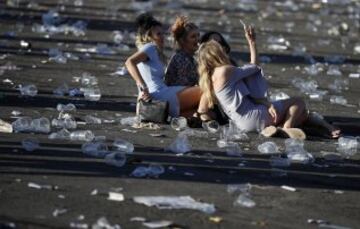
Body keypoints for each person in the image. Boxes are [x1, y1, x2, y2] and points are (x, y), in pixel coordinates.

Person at [197, 40, 341, 139]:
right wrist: (252, 43)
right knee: (298, 102)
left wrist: (210, 121)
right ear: (217, 54)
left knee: (301, 115)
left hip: (242, 124)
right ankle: (287, 127)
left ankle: (280, 128)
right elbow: (254, 67)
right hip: (255, 115)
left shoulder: (208, 80)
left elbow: (202, 110)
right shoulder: (225, 70)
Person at [125, 13, 207, 118]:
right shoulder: (150, 47)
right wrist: (143, 87)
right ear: (148, 36)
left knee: (200, 112)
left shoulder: (157, 53)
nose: (163, 37)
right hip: (158, 95)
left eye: (163, 33)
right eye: (158, 34)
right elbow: (129, 62)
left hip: (158, 97)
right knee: (207, 90)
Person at [164, 15, 200, 87]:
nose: (198, 39)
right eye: (193, 36)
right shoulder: (182, 59)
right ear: (182, 40)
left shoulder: (189, 57)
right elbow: (183, 88)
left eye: (198, 35)